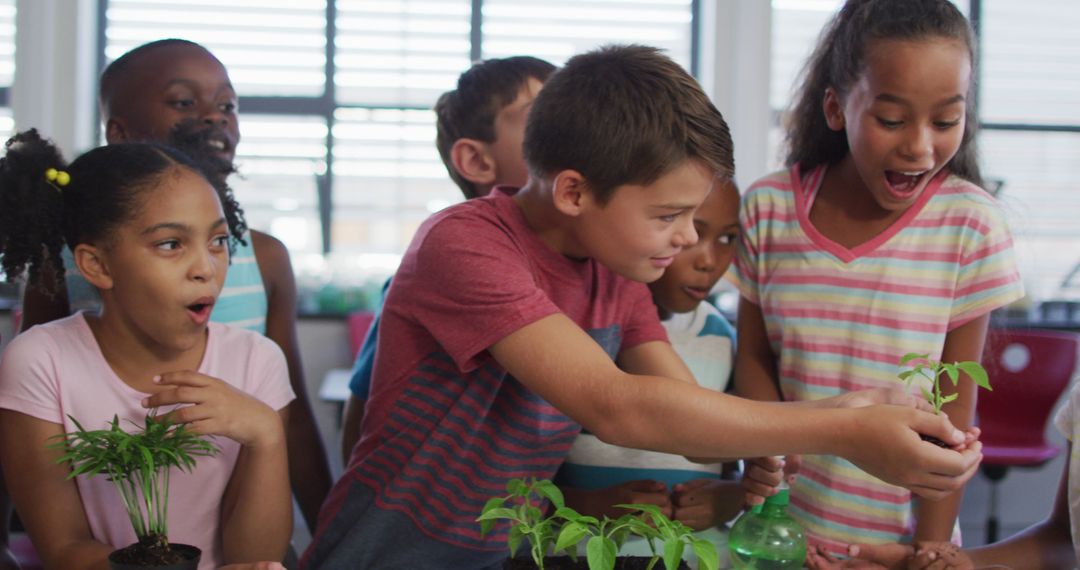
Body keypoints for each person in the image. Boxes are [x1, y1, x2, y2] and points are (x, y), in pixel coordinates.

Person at [300, 44, 982, 570]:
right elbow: (616, 405)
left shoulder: (615, 273)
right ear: (574, 192)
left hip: (502, 551)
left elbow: (683, 422)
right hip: (386, 550)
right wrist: (841, 433)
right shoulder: (466, 244)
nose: (687, 238)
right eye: (668, 215)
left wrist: (845, 410)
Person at [731, 0, 1023, 556]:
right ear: (837, 109)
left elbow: (953, 410)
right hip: (784, 536)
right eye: (891, 120)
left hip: (900, 542)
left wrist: (929, 551)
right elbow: (754, 357)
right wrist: (767, 471)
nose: (919, 146)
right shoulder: (768, 206)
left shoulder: (971, 225)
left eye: (945, 120)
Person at [16, 39, 333, 535]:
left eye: (227, 105)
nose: (214, 118)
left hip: (241, 517)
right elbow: (21, 406)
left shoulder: (266, 258)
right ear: (118, 131)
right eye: (185, 102)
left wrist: (325, 535)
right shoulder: (62, 262)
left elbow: (289, 420)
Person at [0, 130, 293, 569]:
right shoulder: (41, 361)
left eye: (217, 242)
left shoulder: (257, 361)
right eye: (171, 245)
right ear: (96, 265)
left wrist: (267, 435)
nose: (205, 269)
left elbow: (257, 559)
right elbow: (64, 549)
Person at [339, 55, 557, 463]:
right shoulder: (434, 268)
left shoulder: (582, 270)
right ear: (476, 161)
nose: (573, 129)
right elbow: (362, 415)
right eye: (544, 116)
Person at [554, 179, 744, 556]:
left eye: (727, 238)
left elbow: (733, 461)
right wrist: (587, 507)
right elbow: (520, 478)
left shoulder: (722, 337)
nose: (708, 260)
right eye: (688, 231)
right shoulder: (571, 332)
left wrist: (731, 497)